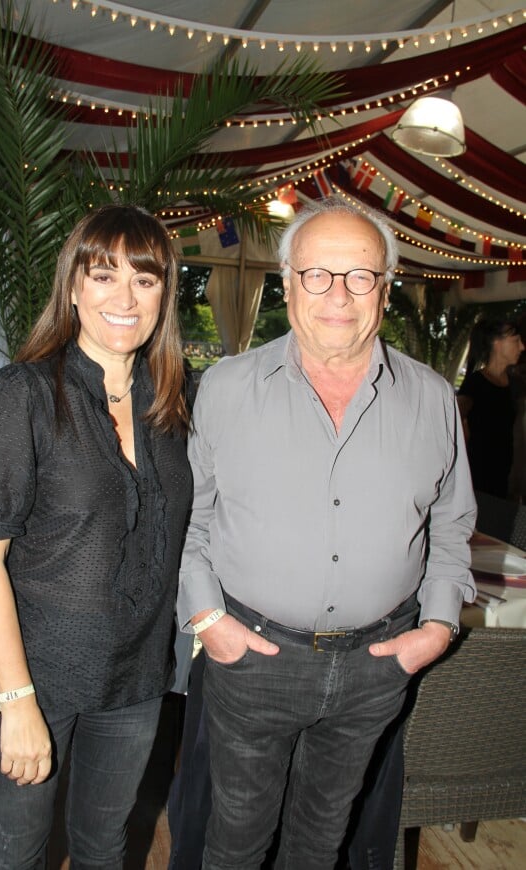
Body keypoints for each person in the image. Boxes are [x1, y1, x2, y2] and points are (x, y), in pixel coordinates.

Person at [176, 195, 476, 870]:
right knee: (234, 842)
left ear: (385, 288)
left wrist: (437, 629)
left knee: (321, 842)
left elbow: (452, 522)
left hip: (377, 667)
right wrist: (207, 618)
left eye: (360, 275)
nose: (338, 294)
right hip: (252, 660)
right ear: (287, 284)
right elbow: (189, 517)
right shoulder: (224, 388)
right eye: (318, 274)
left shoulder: (432, 399)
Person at [0, 204, 192, 869]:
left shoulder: (169, 403)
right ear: (74, 285)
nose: (124, 297)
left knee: (104, 847)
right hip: (39, 678)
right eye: (104, 274)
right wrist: (17, 701)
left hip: (137, 681)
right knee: (16, 850)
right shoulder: (19, 397)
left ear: (164, 294)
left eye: (145, 280)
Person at [457, 317, 524, 498]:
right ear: (497, 343)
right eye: (516, 341)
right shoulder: (476, 384)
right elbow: (451, 422)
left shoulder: (516, 384)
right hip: (480, 483)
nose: (522, 347)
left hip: (508, 480)